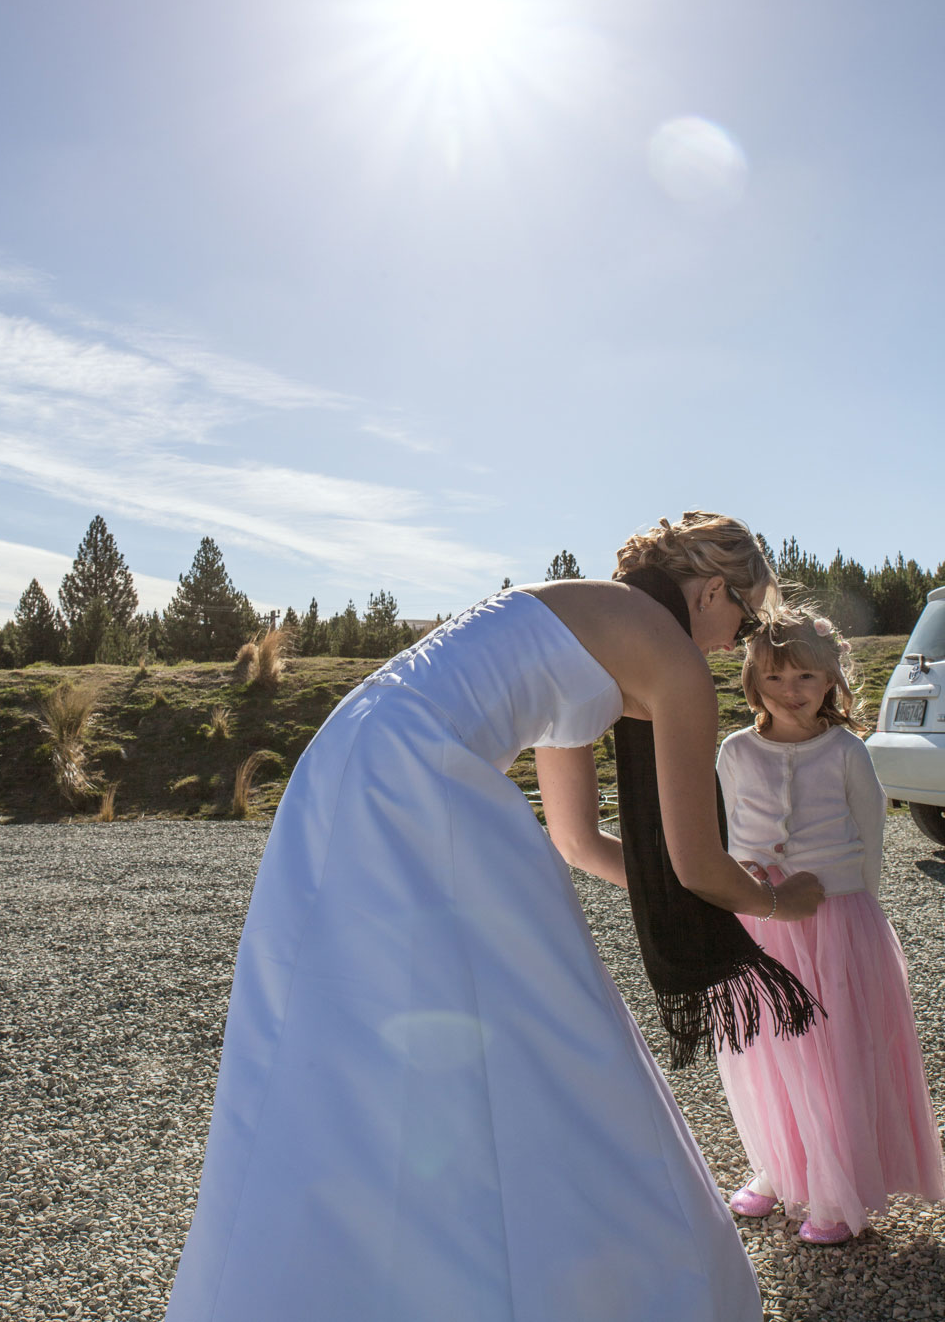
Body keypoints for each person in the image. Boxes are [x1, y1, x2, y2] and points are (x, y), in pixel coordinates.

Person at [165, 512, 824, 1322]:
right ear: (714, 588)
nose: (736, 644)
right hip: (417, 770)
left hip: (352, 752)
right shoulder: (668, 655)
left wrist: (690, 890)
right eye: (745, 619)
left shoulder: (592, 615)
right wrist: (774, 901)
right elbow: (695, 862)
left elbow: (578, 841)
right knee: (545, 1016)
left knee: (365, 1018)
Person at [717, 608, 945, 1244]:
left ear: (832, 682)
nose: (791, 691)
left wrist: (855, 918)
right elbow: (734, 833)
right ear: (753, 681)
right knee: (771, 1052)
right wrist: (750, 880)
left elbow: (869, 840)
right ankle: (779, 1166)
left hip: (838, 923)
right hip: (766, 926)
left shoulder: (846, 751)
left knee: (835, 1055)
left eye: (806, 678)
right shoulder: (735, 752)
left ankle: (834, 1188)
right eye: (775, 677)